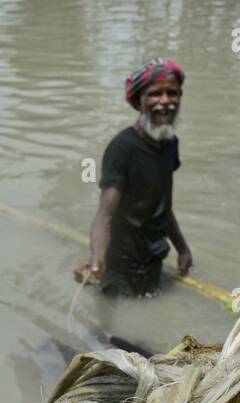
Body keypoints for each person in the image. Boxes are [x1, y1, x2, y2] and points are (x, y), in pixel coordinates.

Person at [74, 58, 193, 298]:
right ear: (139, 101)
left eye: (172, 93)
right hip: (120, 266)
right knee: (113, 332)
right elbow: (104, 216)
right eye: (155, 94)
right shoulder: (122, 149)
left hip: (154, 259)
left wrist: (182, 249)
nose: (165, 101)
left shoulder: (170, 144)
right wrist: (97, 259)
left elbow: (162, 204)